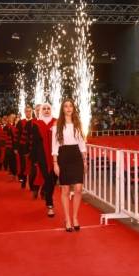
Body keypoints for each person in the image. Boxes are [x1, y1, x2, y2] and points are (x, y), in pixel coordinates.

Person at [52, 99, 87, 232]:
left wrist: (85, 160)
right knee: (65, 190)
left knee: (78, 188)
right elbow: (55, 146)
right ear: (62, 109)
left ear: (73, 108)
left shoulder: (78, 124)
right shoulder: (57, 125)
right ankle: (67, 219)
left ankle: (75, 217)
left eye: (70, 106)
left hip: (76, 156)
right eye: (66, 106)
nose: (68, 108)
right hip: (63, 156)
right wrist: (55, 163)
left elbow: (82, 143)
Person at [31, 103, 57, 217]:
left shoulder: (56, 122)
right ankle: (50, 204)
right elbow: (35, 143)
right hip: (42, 156)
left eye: (48, 108)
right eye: (44, 109)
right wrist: (35, 159)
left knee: (53, 180)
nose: (46, 110)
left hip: (56, 156)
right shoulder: (37, 124)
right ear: (41, 111)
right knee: (48, 178)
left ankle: (46, 194)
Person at [15, 106, 33, 189]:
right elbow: (17, 135)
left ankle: (32, 183)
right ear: (24, 112)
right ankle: (23, 180)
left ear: (32, 112)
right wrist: (16, 147)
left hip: (32, 147)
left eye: (29, 111)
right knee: (23, 165)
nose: (28, 113)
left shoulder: (35, 122)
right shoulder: (20, 122)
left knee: (32, 166)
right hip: (22, 147)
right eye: (27, 111)